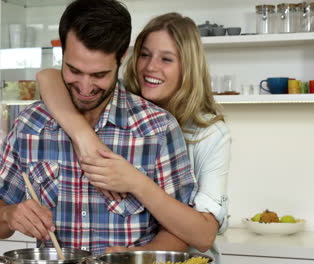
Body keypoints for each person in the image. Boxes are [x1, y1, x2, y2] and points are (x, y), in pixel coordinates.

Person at [0, 0, 197, 256]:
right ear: (62, 52)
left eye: (99, 75)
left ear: (121, 58)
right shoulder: (29, 125)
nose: (85, 88)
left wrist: (136, 259)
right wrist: (9, 214)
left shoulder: (157, 129)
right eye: (74, 70)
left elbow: (180, 233)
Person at [36, 12, 231, 255]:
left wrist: (136, 182)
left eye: (166, 59)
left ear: (188, 67)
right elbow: (47, 77)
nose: (151, 67)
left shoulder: (210, 134)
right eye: (145, 55)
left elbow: (202, 236)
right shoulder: (113, 101)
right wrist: (82, 135)